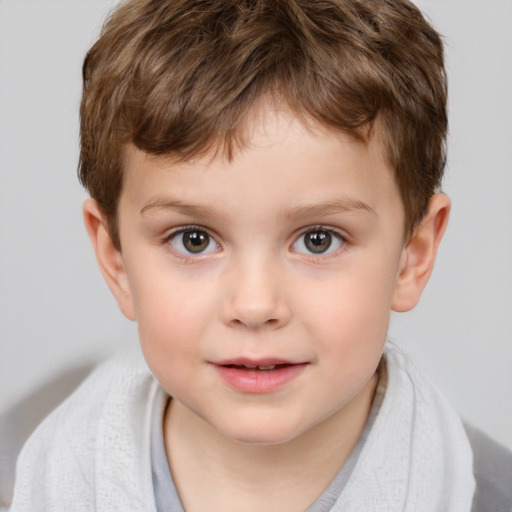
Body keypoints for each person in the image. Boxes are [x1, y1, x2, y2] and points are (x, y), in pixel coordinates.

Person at [8, 0, 512, 510]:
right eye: (194, 239)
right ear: (116, 259)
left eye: (319, 239)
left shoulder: (486, 494)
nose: (254, 305)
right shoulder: (30, 477)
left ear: (413, 255)